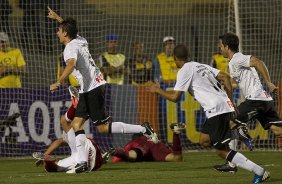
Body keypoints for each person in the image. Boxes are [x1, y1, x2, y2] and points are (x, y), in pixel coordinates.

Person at [47, 7, 158, 173]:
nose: (57, 33)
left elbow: (70, 64)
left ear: (65, 34)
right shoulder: (80, 39)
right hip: (89, 88)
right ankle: (83, 162)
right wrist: (58, 19)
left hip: (93, 88)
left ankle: (144, 129)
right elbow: (72, 29)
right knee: (77, 124)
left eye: (59, 30)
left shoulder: (69, 48)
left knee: (103, 128)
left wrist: (58, 81)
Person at [147, 44, 270, 183]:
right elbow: (224, 76)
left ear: (175, 58)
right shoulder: (201, 65)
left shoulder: (183, 71)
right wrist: (229, 101)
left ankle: (259, 171)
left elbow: (175, 98)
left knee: (221, 151)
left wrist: (157, 90)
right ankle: (237, 133)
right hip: (220, 107)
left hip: (216, 109)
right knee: (204, 140)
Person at [218, 33, 282, 137]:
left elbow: (258, 62)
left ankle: (242, 130)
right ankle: (241, 128)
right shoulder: (232, 63)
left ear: (227, 47)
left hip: (256, 100)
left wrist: (268, 83)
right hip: (264, 100)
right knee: (277, 131)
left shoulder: (237, 59)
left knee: (229, 123)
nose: (219, 48)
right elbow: (234, 84)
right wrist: (224, 84)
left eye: (221, 46)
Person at [32, 87, 103, 173]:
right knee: (65, 120)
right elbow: (59, 141)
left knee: (53, 168)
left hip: (90, 162)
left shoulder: (71, 136)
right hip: (91, 152)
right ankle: (75, 106)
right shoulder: (73, 135)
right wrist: (46, 155)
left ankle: (48, 162)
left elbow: (59, 142)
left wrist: (46, 155)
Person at [105, 123, 185, 162]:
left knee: (131, 155)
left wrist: (116, 154)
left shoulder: (136, 141)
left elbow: (119, 157)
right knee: (176, 157)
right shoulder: (154, 139)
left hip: (143, 148)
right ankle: (176, 133)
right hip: (155, 143)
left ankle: (114, 151)